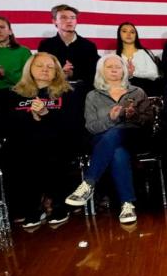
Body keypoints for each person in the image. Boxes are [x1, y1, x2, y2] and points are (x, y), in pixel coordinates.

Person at [65, 55, 154, 224]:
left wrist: (133, 116)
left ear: (124, 70)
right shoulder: (92, 96)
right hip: (104, 142)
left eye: (117, 66)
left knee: (118, 132)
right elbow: (91, 127)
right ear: (101, 71)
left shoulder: (137, 92)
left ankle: (89, 183)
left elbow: (148, 121)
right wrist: (111, 119)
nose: (114, 70)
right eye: (109, 67)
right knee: (118, 152)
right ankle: (127, 204)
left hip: (133, 137)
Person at [5, 52, 82, 228]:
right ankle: (32, 206)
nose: (45, 70)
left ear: (57, 72)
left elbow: (72, 125)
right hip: (24, 143)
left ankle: (57, 203)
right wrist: (32, 118)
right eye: (39, 66)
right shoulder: (14, 94)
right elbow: (7, 125)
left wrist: (46, 114)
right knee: (18, 150)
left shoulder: (68, 93)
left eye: (50, 67)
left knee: (47, 147)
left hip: (59, 141)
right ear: (30, 69)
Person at [36, 4, 99, 86]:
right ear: (54, 21)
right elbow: (40, 71)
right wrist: (60, 72)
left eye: (72, 18)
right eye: (63, 17)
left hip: (82, 92)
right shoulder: (46, 45)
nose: (69, 21)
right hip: (53, 89)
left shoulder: (89, 46)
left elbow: (94, 73)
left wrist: (73, 73)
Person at [115, 22, 162, 95]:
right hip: (122, 91)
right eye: (124, 31)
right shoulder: (114, 55)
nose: (128, 34)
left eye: (132, 32)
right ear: (119, 34)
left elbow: (154, 74)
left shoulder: (144, 52)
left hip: (146, 90)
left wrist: (133, 74)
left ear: (136, 35)